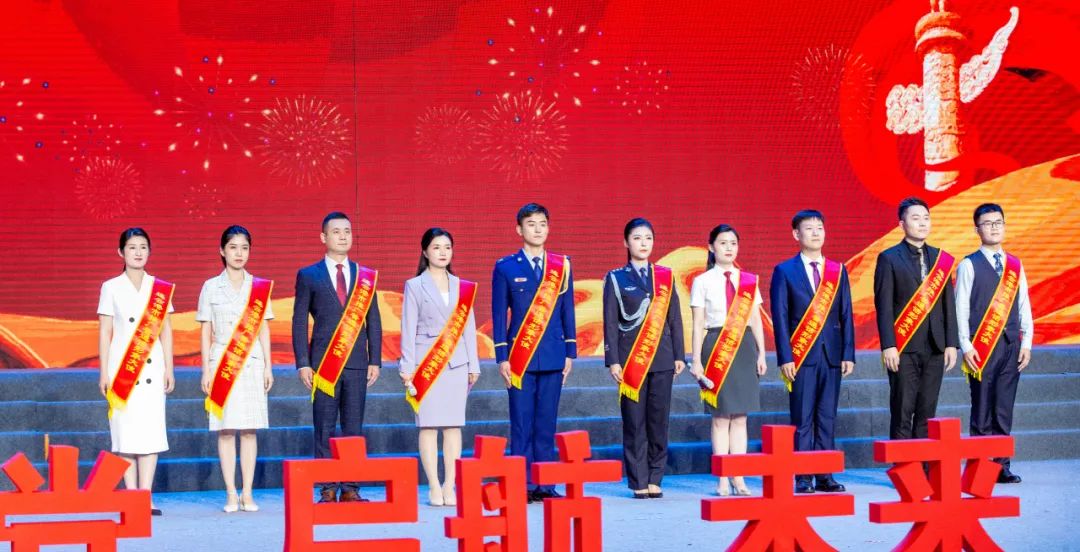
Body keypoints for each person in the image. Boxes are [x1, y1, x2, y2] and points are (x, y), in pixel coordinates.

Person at [292, 211, 382, 503]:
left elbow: (373, 320)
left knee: (354, 427)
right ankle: (327, 487)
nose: (343, 236)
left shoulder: (365, 277)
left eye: (347, 231)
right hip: (323, 365)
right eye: (336, 232)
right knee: (324, 426)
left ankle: (351, 487)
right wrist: (303, 363)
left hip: (357, 363)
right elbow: (298, 321)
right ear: (323, 237)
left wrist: (375, 359)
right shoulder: (309, 275)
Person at [492, 203, 576, 503]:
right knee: (521, 422)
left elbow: (567, 310)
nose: (538, 229)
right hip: (520, 356)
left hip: (553, 354)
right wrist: (502, 356)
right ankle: (523, 484)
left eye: (543, 223)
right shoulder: (505, 267)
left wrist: (570, 351)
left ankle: (545, 483)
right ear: (519, 229)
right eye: (531, 224)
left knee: (546, 423)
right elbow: (499, 315)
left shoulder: (561, 266)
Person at [770, 210, 855, 494]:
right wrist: (785, 356)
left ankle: (825, 474)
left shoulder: (837, 271)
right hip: (801, 355)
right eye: (809, 228)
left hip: (832, 355)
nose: (816, 232)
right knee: (803, 418)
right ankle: (804, 476)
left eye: (820, 227)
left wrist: (848, 353)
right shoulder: (784, 271)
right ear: (796, 234)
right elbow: (780, 317)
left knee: (827, 417)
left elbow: (846, 313)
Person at [603, 218, 685, 499]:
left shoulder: (664, 276)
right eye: (637, 238)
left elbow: (674, 317)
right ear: (626, 242)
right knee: (634, 421)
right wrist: (613, 360)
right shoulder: (616, 278)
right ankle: (638, 479)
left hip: (662, 358)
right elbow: (610, 322)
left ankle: (655, 477)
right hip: (630, 361)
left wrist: (679, 354)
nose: (643, 243)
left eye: (648, 238)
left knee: (658, 420)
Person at [398, 228, 481, 507]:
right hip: (426, 364)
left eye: (447, 247)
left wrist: (473, 364)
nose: (443, 252)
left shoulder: (463, 286)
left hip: (457, 363)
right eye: (436, 247)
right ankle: (434, 485)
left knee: (454, 425)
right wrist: (407, 366)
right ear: (425, 251)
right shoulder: (414, 285)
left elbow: (468, 327)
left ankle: (450, 485)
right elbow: (408, 327)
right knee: (429, 426)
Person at [97, 227, 175, 516]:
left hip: (153, 367)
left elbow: (166, 331)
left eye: (143, 247)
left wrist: (169, 367)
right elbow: (105, 331)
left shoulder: (160, 288)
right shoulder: (111, 287)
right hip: (122, 369)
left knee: (151, 431)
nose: (138, 252)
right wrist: (103, 372)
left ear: (149, 252)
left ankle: (146, 496)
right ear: (121, 252)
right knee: (126, 432)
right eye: (132, 247)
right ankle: (132, 496)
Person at [197, 225, 275, 512]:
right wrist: (206, 370)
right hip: (222, 363)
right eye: (233, 247)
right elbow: (205, 331)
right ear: (222, 250)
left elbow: (263, 329)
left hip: (252, 363)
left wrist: (268, 367)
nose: (239, 253)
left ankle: (248, 492)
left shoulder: (259, 287)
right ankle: (231, 493)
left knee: (250, 430)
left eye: (244, 248)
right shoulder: (210, 287)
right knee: (226, 430)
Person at [955, 203, 1033, 484]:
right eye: (987, 223)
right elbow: (961, 308)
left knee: (1003, 409)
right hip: (981, 348)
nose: (994, 227)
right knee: (982, 409)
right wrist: (965, 345)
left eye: (998, 222)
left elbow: (1024, 304)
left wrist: (1027, 342)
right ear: (977, 229)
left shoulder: (1015, 265)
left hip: (1011, 346)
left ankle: (1001, 466)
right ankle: (979, 469)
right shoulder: (968, 264)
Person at [688, 224, 767, 496]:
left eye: (733, 243)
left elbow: (755, 319)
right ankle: (722, 477)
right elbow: (697, 324)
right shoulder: (702, 281)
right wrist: (696, 360)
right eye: (723, 243)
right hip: (716, 347)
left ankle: (739, 476)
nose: (729, 248)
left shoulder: (748, 281)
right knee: (721, 418)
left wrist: (762, 353)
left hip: (744, 347)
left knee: (741, 417)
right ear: (711, 247)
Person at [874, 197, 958, 441]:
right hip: (903, 346)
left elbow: (948, 305)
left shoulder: (941, 259)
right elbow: (884, 306)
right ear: (902, 224)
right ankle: (903, 461)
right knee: (902, 409)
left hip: (935, 346)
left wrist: (951, 344)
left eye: (926, 218)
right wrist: (889, 345)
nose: (922, 223)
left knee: (927, 412)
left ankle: (923, 461)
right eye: (915, 218)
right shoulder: (889, 258)